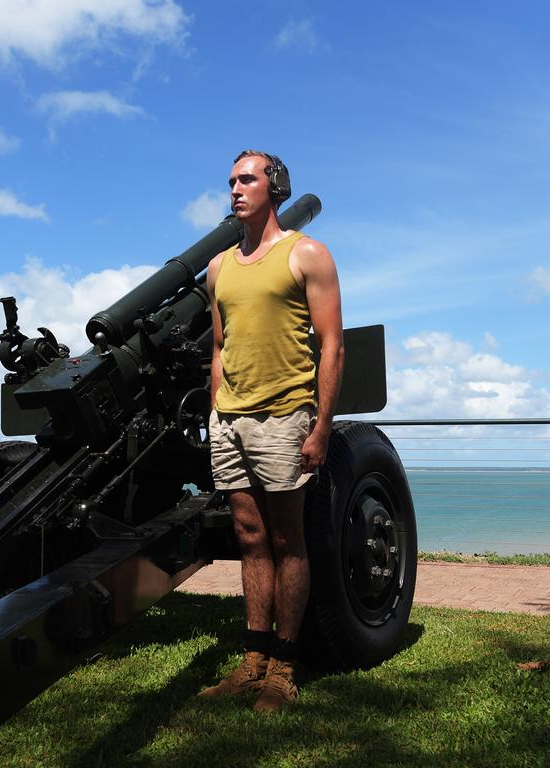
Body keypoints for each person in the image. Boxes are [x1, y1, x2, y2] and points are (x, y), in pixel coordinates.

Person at [197, 150, 344, 712]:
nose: (235, 189)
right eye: (231, 180)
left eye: (247, 179)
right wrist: (217, 408)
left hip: (285, 416)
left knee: (288, 540)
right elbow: (219, 344)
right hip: (230, 419)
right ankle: (252, 660)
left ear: (275, 187)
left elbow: (332, 343)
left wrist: (322, 426)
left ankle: (283, 666)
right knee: (249, 539)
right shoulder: (219, 267)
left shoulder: (306, 255)